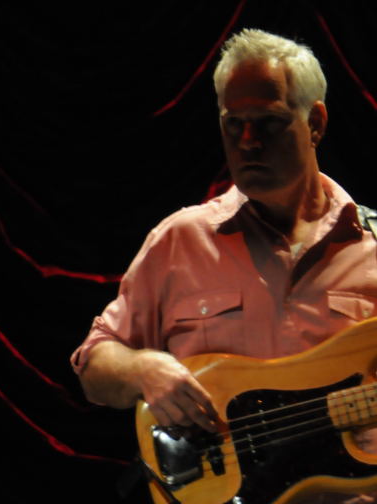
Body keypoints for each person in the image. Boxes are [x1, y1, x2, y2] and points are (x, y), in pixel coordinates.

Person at [71, 28, 377, 503]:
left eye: (268, 122)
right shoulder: (179, 241)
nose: (248, 141)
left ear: (315, 123)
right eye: (234, 124)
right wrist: (142, 369)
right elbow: (94, 364)